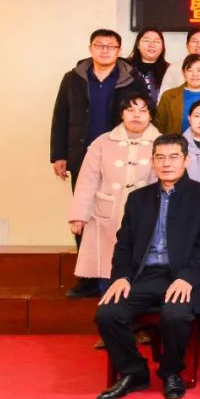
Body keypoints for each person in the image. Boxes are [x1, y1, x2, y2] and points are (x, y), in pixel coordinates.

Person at [93, 134, 200, 399]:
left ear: (186, 160)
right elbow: (124, 244)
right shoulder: (138, 198)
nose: (166, 163)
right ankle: (134, 372)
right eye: (160, 157)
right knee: (108, 313)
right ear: (152, 162)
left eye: (174, 157)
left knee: (175, 314)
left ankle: (171, 372)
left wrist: (187, 278)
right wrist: (121, 277)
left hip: (186, 276)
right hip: (145, 275)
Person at [51, 29, 149, 297]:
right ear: (90, 48)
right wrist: (58, 154)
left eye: (111, 46)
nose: (105, 50)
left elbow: (144, 111)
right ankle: (87, 277)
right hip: (82, 154)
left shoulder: (131, 79)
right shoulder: (73, 78)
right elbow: (60, 115)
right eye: (99, 45)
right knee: (84, 212)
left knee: (117, 217)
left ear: (119, 50)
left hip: (121, 153)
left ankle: (120, 272)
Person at [68, 93, 161, 298]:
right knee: (108, 266)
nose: (136, 115)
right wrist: (79, 214)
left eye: (143, 111)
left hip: (146, 213)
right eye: (130, 110)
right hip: (107, 214)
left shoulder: (161, 143)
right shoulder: (102, 142)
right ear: (122, 114)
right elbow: (87, 180)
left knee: (141, 266)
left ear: (151, 115)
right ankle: (108, 306)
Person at [154, 54, 200, 135]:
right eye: (189, 70)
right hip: (174, 142)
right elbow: (159, 127)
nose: (194, 74)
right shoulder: (168, 96)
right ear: (184, 73)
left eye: (199, 70)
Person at [125, 29, 168, 105]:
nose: (151, 45)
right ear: (138, 45)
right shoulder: (124, 67)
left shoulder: (170, 70)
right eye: (146, 40)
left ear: (162, 46)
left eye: (156, 41)